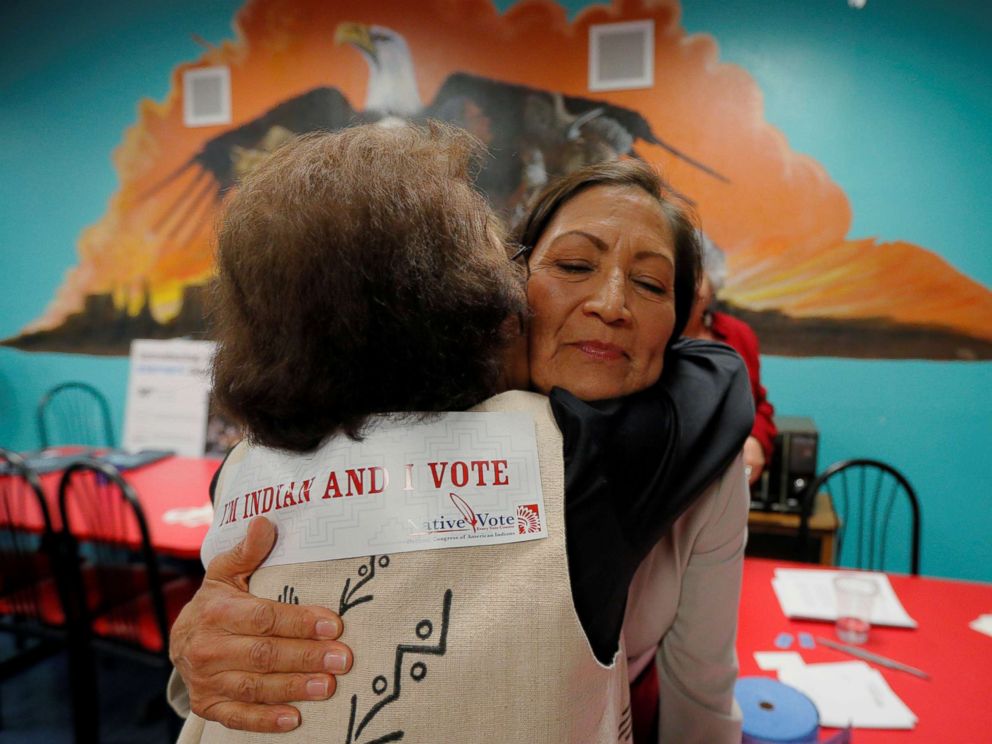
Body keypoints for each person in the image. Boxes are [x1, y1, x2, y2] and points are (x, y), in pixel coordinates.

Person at [169, 127, 752, 743]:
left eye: (652, 284)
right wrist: (196, 644)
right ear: (509, 286)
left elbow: (702, 687)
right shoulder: (418, 438)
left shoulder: (700, 460)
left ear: (683, 322)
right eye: (575, 265)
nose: (612, 303)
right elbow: (228, 639)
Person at [683, 233, 776, 486]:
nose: (686, 285)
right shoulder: (648, 338)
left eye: (697, 274)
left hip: (726, 483)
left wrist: (755, 439)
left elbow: (758, 406)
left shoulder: (738, 335)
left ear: (713, 286)